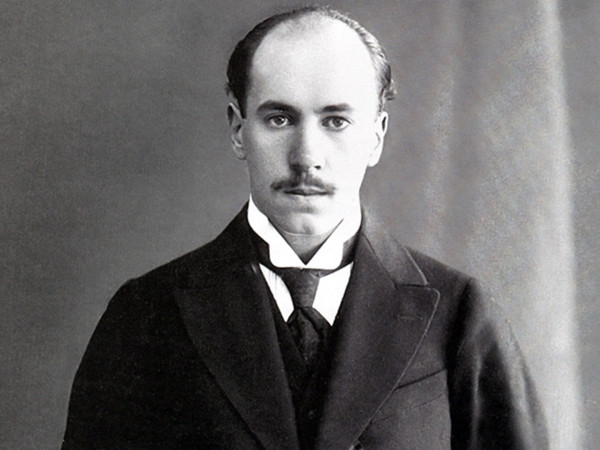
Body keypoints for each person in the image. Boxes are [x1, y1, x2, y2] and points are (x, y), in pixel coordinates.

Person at [62, 6, 548, 449]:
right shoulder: (147, 315)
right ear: (238, 129)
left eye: (335, 121)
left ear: (376, 135)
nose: (307, 157)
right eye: (279, 119)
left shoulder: (458, 315)